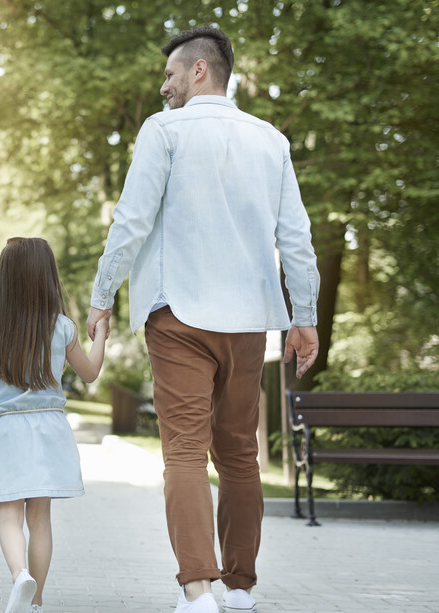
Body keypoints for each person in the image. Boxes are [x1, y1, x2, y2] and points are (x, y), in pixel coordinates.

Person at [85, 26, 321, 613]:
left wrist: (101, 293)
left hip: (179, 316)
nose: (162, 87)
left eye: (169, 75)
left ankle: (198, 590)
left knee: (185, 453)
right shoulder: (272, 141)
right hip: (249, 321)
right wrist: (305, 315)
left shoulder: (163, 131)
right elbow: (296, 238)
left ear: (199, 71)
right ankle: (239, 588)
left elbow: (132, 220)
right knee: (240, 455)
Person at [0, 238, 109, 613]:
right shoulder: (63, 329)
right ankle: (36, 601)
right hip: (50, 430)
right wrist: (102, 334)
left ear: (4, 279)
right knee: (39, 518)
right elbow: (89, 374)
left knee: (9, 513)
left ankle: (19, 575)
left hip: (9, 431)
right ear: (48, 278)